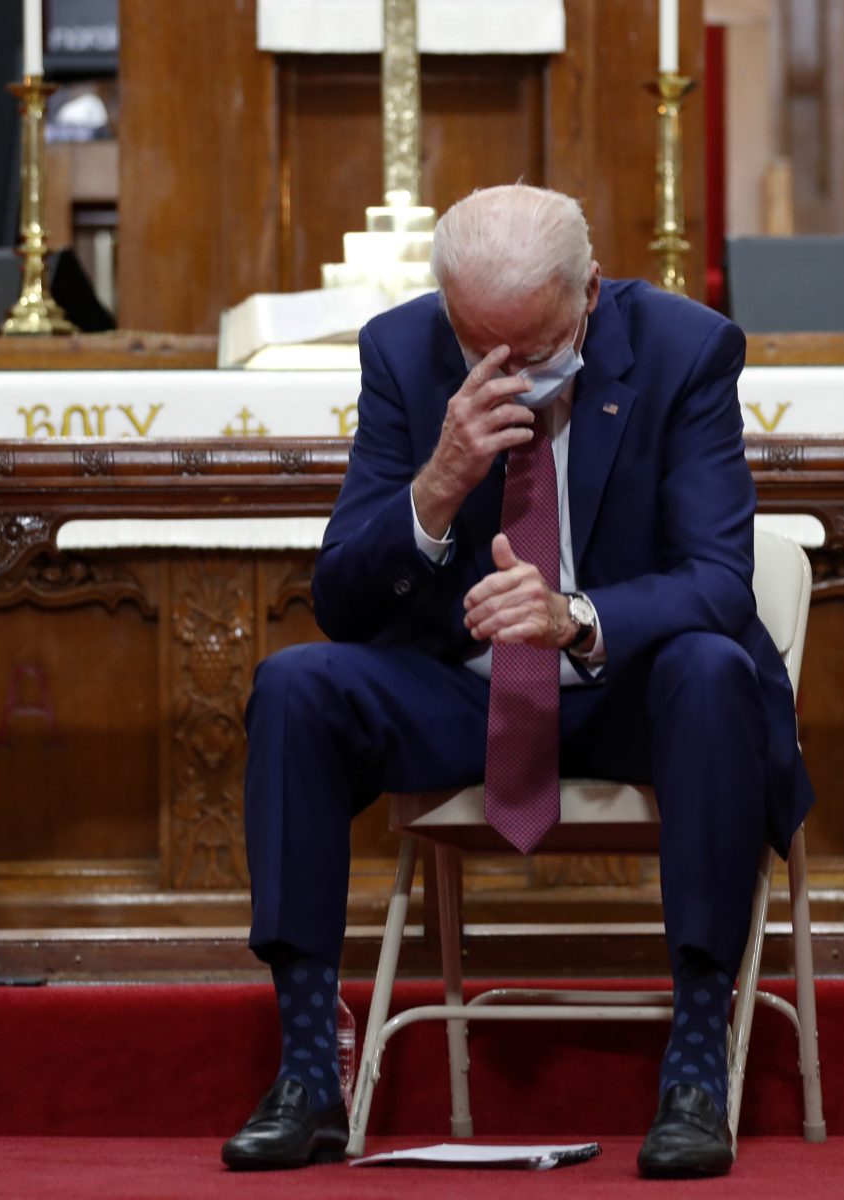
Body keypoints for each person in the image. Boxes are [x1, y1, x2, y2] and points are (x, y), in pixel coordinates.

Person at [222, 184, 813, 1179]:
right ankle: (310, 1063)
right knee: (296, 686)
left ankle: (700, 1057)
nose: (509, 375)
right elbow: (343, 600)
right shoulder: (403, 350)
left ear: (588, 292)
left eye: (535, 353)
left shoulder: (686, 347)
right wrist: (438, 482)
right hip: (466, 688)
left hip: (632, 689)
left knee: (715, 670)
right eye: (478, 349)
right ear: (448, 309)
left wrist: (576, 617)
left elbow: (717, 580)